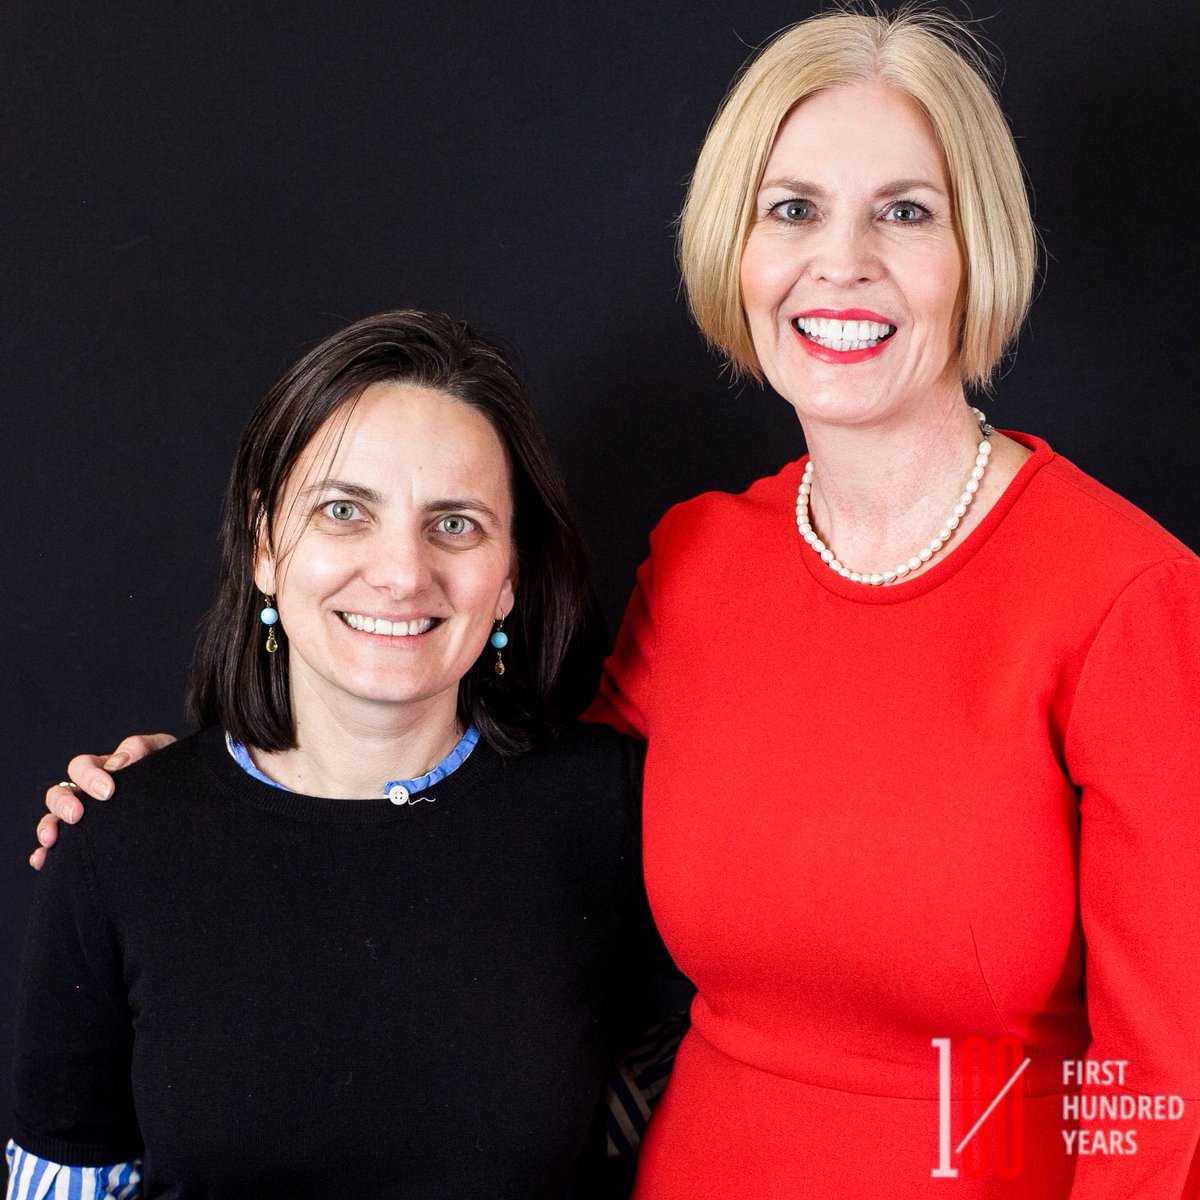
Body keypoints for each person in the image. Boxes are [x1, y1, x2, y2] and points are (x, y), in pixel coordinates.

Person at [32, 8, 1200, 1199]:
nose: (839, 261)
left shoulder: (1125, 597)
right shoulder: (703, 561)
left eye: (905, 211)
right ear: (735, 250)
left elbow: (1165, 1090)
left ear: (980, 250)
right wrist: (199, 800)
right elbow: (482, 805)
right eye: (791, 209)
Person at [9, 309, 658, 1198]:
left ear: (510, 573)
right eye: (345, 511)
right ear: (267, 544)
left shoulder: (608, 812)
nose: (401, 572)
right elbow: (64, 1180)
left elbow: (720, 1080)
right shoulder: (116, 842)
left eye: (457, 524)